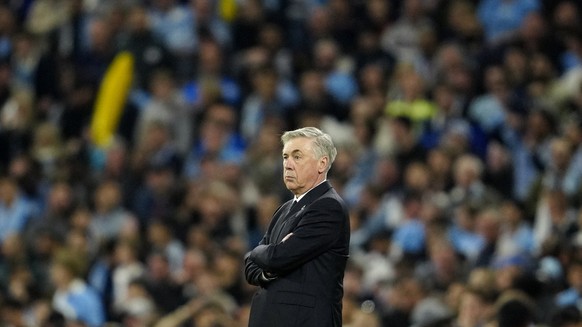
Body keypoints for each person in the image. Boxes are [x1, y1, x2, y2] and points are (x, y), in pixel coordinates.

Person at [244, 126, 350, 327]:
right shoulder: (284, 209)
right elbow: (250, 267)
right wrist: (264, 265)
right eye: (285, 157)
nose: (287, 164)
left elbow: (279, 257)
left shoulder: (328, 207)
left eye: (297, 156)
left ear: (322, 163)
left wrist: (257, 251)